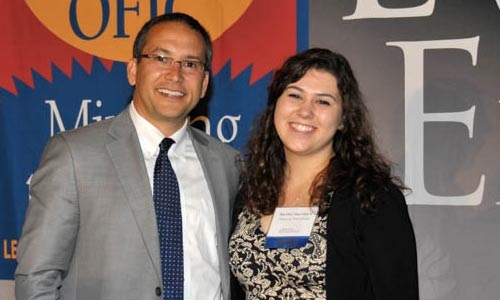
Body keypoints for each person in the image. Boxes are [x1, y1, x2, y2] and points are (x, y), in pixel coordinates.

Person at [15, 12, 241, 300]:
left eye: (190, 63)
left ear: (204, 83)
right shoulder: (73, 155)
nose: (175, 74)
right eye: (161, 58)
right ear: (133, 70)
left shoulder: (227, 164)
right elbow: (36, 279)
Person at [229, 48, 418, 300]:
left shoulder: (371, 198)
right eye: (295, 95)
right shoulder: (250, 192)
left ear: (343, 120)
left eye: (323, 101)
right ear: (275, 105)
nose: (305, 111)